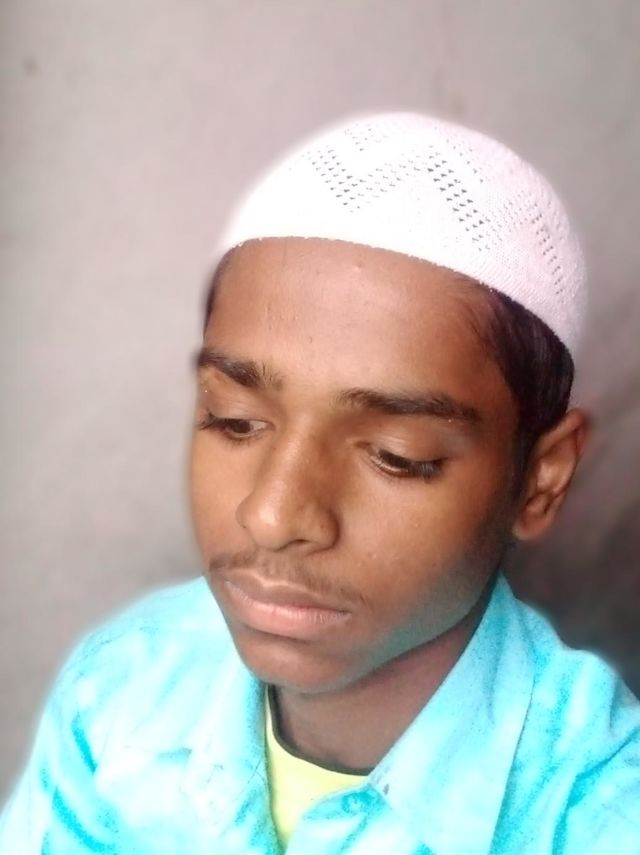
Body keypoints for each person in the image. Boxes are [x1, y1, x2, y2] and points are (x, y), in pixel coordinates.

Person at [1, 112, 639, 854]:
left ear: (540, 478)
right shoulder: (117, 696)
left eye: (397, 455)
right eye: (235, 420)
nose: (273, 515)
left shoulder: (602, 815)